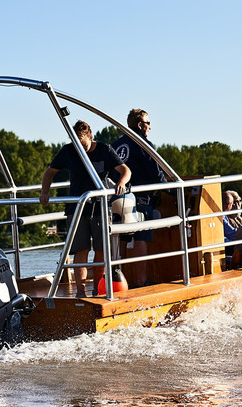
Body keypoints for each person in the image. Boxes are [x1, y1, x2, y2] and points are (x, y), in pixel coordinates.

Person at [40, 120, 131, 297]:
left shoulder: (104, 149)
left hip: (100, 206)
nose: (80, 150)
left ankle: (98, 290)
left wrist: (121, 182)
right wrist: (44, 192)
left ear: (90, 137)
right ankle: (80, 292)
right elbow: (50, 172)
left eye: (83, 145)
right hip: (77, 206)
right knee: (80, 250)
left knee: (101, 249)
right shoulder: (68, 150)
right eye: (77, 145)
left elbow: (125, 170)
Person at [110, 108, 166, 287]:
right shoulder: (143, 144)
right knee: (142, 236)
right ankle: (141, 281)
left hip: (118, 198)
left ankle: (122, 280)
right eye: (148, 123)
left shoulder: (117, 145)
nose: (150, 127)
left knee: (123, 238)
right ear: (141, 125)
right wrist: (173, 190)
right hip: (140, 199)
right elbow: (156, 175)